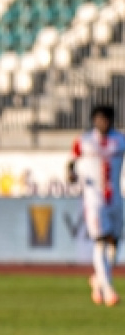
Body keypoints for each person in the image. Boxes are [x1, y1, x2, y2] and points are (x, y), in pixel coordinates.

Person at [68, 104, 125, 307]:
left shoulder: (120, 140)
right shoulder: (84, 141)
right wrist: (72, 175)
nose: (103, 123)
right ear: (94, 121)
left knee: (114, 244)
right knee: (100, 241)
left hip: (116, 198)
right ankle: (108, 290)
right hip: (94, 199)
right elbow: (71, 163)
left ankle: (98, 279)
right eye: (100, 119)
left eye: (107, 119)